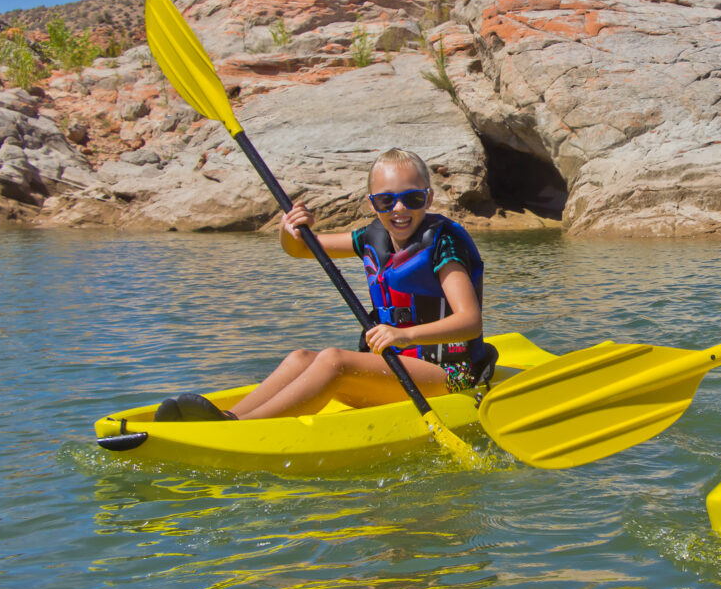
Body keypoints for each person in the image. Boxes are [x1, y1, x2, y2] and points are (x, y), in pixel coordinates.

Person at [156, 148, 491, 421]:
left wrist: (403, 334)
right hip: (399, 365)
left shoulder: (444, 243)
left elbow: (469, 320)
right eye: (386, 201)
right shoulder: (372, 238)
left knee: (335, 361)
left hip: (453, 375)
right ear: (372, 203)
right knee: (301, 358)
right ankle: (228, 417)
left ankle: (240, 429)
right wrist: (288, 229)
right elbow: (302, 249)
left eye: (412, 199)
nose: (399, 209)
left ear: (428, 199)